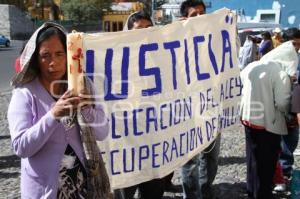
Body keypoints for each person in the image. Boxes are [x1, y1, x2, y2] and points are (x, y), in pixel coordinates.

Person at [7, 22, 110, 198]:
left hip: (83, 186)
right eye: (45, 55)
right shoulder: (25, 93)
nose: (53, 63)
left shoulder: (84, 85)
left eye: (59, 54)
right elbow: (21, 147)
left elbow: (102, 133)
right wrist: (53, 115)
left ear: (69, 54)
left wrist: (87, 109)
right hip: (44, 189)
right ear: (35, 59)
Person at [114, 11, 168, 199]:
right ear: (128, 31)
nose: (145, 33)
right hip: (125, 140)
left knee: (153, 189)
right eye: (139, 29)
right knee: (124, 191)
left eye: (148, 28)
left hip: (154, 139)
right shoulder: (115, 59)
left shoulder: (164, 58)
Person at [240, 40, 299, 198]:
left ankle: (252, 190)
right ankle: (262, 194)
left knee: (253, 161)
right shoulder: (280, 73)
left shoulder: (252, 66)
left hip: (248, 121)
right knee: (266, 166)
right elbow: (282, 103)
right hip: (268, 126)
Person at [179, 1, 221, 199]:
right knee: (189, 159)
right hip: (187, 110)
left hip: (212, 105)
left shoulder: (215, 37)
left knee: (211, 155)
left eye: (202, 13)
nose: (200, 17)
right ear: (185, 18)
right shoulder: (175, 38)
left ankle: (206, 189)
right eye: (194, 14)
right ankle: (191, 194)